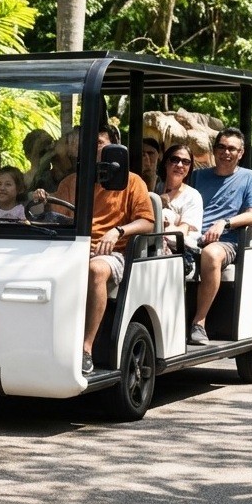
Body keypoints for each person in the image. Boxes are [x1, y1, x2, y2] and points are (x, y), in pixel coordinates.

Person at [36, 138, 154, 374]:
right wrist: (42, 202)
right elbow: (58, 217)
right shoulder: (72, 182)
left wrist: (118, 230)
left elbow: (147, 222)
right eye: (92, 143)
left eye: (101, 141)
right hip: (74, 249)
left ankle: (86, 349)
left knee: (96, 270)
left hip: (115, 252)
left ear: (115, 149)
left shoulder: (132, 182)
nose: (96, 147)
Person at [188, 127, 252, 345]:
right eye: (221, 147)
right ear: (214, 149)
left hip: (226, 241)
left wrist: (225, 223)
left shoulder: (248, 177)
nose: (226, 152)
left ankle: (199, 323)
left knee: (211, 254)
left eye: (232, 148)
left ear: (241, 153)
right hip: (191, 236)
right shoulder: (197, 176)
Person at [157, 144, 203, 258]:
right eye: (175, 160)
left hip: (180, 254)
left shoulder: (193, 196)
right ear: (166, 162)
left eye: (186, 162)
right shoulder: (156, 188)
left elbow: (183, 231)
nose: (180, 165)